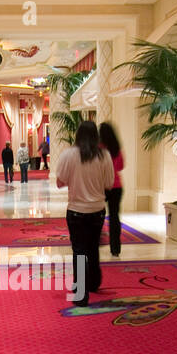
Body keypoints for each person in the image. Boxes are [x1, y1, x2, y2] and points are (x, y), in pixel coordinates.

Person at [56, 120, 114, 306]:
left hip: (76, 211)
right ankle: (93, 282)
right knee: (92, 248)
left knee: (79, 251)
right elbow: (109, 183)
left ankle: (81, 293)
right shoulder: (104, 156)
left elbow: (59, 182)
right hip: (97, 210)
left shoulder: (69, 155)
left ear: (78, 135)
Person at [98, 121, 124, 258]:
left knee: (98, 215)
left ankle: (97, 241)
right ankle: (115, 248)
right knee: (114, 217)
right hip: (117, 186)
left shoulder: (99, 148)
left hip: (102, 186)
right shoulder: (116, 149)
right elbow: (121, 166)